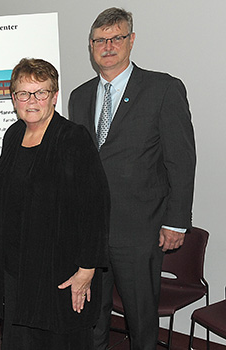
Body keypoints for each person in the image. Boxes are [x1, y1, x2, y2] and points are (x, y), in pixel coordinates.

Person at [68, 8, 196, 350]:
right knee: (93, 316)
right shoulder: (79, 97)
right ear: (91, 45)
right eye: (100, 40)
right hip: (92, 232)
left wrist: (177, 222)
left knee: (141, 322)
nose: (107, 46)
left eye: (116, 38)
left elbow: (181, 160)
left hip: (141, 231)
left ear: (131, 40)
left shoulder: (163, 88)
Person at [0, 58, 110, 349]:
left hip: (59, 272)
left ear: (54, 96)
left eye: (40, 92)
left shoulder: (73, 138)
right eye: (23, 93)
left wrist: (86, 270)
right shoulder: (13, 135)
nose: (31, 101)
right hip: (17, 270)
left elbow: (96, 207)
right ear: (13, 97)